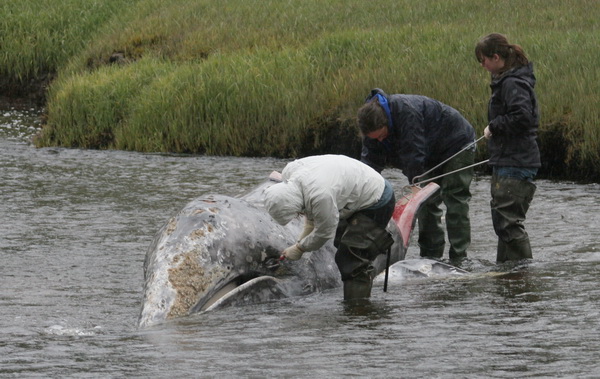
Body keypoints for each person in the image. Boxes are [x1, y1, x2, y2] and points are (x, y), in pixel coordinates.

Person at [357, 88, 476, 262]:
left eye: (382, 136)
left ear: (386, 124)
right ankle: (430, 257)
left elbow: (414, 153)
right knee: (426, 205)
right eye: (375, 139)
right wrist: (361, 194)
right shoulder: (370, 126)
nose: (380, 141)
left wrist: (416, 188)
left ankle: (459, 258)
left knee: (455, 200)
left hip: (457, 144)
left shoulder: (406, 112)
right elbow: (370, 164)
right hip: (430, 151)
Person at [264, 154, 395, 300]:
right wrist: (301, 240)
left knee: (352, 258)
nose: (298, 215)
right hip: (354, 189)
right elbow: (311, 216)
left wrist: (300, 248)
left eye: (296, 213)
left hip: (377, 198)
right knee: (340, 242)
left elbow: (324, 233)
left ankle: (357, 311)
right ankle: (361, 280)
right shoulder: (290, 173)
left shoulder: (321, 196)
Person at [475, 33, 540, 263]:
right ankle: (505, 273)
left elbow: (523, 116)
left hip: (517, 162)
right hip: (506, 160)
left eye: (483, 60)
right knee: (503, 224)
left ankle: (521, 274)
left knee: (509, 224)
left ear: (495, 57)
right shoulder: (508, 80)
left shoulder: (513, 82)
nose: (482, 66)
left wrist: (495, 126)